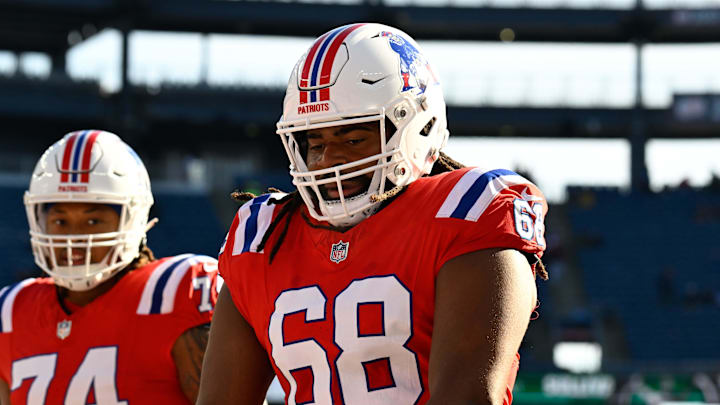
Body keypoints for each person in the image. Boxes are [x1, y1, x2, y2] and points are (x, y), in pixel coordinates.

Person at [198, 23, 548, 405]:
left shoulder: (467, 211)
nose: (328, 161)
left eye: (352, 139)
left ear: (417, 126)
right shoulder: (262, 237)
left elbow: (469, 396)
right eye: (315, 142)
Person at [0, 130, 219, 405]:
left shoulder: (178, 292)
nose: (74, 238)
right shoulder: (11, 311)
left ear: (133, 218)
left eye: (93, 222)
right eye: (60, 221)